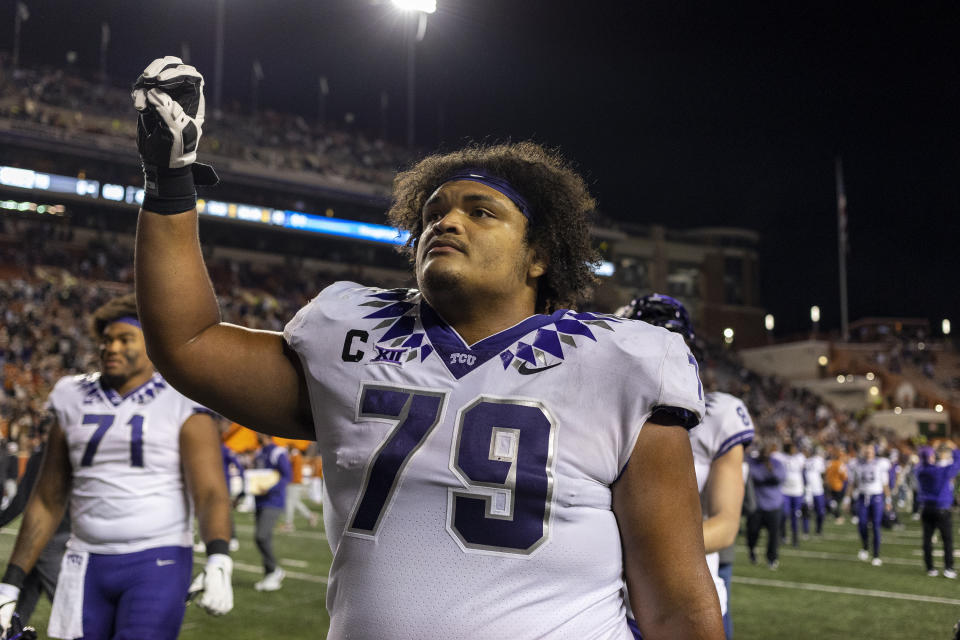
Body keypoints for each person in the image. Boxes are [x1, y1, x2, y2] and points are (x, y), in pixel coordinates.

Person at [132, 56, 723, 638]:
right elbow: (188, 344)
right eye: (433, 212)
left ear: (540, 256)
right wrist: (169, 181)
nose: (446, 222)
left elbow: (675, 604)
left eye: (480, 211)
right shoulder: (348, 329)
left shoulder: (621, 361)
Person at [0, 295, 234, 639]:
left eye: (125, 339)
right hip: (84, 561)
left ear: (152, 345)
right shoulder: (71, 395)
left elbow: (210, 491)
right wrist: (9, 584)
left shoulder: (181, 398)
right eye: (107, 340)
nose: (111, 347)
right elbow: (47, 499)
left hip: (157, 559)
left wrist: (219, 558)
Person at [617, 294, 753, 640]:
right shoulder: (606, 410)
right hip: (610, 608)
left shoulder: (719, 413)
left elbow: (725, 527)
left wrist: (627, 550)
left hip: (681, 602)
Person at [0, 433, 68, 627]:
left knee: (66, 601)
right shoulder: (71, 455)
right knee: (27, 594)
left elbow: (22, 500)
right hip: (62, 532)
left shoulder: (44, 457)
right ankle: (13, 630)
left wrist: (2, 520)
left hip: (46, 539)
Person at [915, 442, 960, 578]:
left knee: (927, 539)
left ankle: (930, 568)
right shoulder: (939, 471)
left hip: (926, 508)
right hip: (941, 509)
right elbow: (958, 462)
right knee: (947, 540)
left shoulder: (919, 470)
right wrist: (954, 448)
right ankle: (948, 568)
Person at [252, 433, 291, 591]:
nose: (255, 433)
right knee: (264, 538)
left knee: (260, 536)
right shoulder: (259, 452)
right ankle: (270, 574)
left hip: (273, 501)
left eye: (257, 431)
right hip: (259, 501)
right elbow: (255, 477)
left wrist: (270, 488)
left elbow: (287, 476)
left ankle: (275, 570)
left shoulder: (278, 452)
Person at [848, 442, 891, 566]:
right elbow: (852, 483)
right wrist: (847, 499)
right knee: (862, 524)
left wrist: (888, 500)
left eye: (870, 451)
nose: (868, 453)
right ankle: (865, 547)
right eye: (866, 451)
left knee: (876, 525)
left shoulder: (880, 464)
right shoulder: (856, 464)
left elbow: (885, 484)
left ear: (874, 452)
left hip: (876, 497)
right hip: (862, 497)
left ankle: (876, 555)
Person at [746, 440, 785, 569]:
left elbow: (779, 478)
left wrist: (769, 470)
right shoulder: (753, 463)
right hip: (756, 504)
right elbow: (752, 475)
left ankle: (772, 558)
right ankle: (752, 550)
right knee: (752, 532)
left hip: (773, 505)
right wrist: (766, 474)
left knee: (773, 534)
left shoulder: (777, 464)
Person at [773, 442, 805, 547]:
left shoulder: (800, 458)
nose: (794, 450)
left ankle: (795, 538)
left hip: (797, 491)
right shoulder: (780, 457)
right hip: (784, 490)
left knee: (795, 515)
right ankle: (783, 534)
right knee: (784, 513)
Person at [802, 445, 826, 537]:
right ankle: (806, 531)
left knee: (821, 512)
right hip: (807, 490)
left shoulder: (818, 460)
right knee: (806, 511)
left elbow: (823, 473)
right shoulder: (803, 460)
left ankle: (819, 530)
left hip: (818, 489)